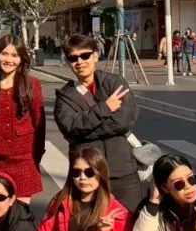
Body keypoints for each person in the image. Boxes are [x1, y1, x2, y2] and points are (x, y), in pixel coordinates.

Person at [53, 33, 144, 211]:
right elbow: (70, 127)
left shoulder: (115, 83)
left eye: (85, 55)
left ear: (95, 55)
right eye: (73, 58)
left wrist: (84, 132)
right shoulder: (65, 96)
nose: (80, 62)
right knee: (88, 224)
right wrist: (105, 108)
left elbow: (122, 123)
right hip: (87, 174)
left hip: (122, 171)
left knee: (131, 221)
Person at [0, 35, 45, 203]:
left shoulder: (32, 84)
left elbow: (39, 124)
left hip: (23, 159)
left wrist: (36, 155)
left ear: (22, 59)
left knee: (20, 213)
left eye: (15, 55)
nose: (9, 60)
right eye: (4, 54)